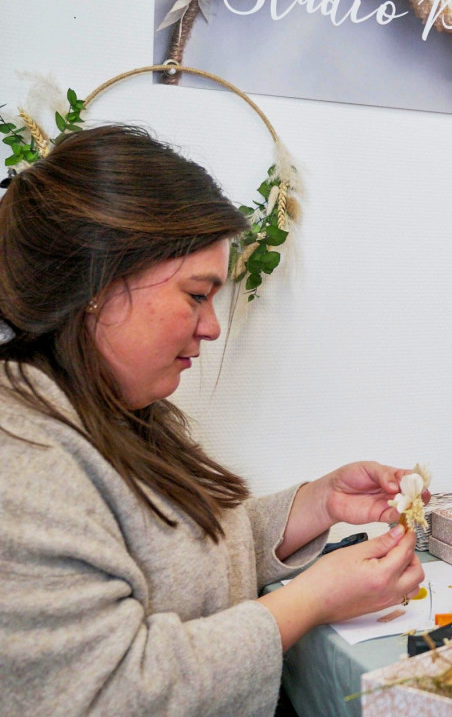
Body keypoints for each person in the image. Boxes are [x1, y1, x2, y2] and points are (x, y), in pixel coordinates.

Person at [0, 124, 426, 715]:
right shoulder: (22, 463)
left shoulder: (116, 411)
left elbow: (180, 564)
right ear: (98, 283)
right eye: (196, 295)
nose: (212, 327)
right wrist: (310, 602)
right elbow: (109, 692)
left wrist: (316, 504)